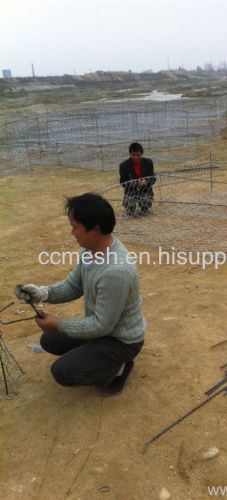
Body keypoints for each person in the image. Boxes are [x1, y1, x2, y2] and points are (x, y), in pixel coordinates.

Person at [15, 193, 146, 396]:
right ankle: (99, 357)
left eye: (75, 227)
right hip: (103, 332)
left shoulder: (116, 271)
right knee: (49, 340)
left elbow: (101, 325)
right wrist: (42, 293)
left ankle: (118, 368)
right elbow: (73, 286)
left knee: (62, 372)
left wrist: (59, 324)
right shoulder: (90, 250)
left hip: (120, 341)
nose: (72, 232)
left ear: (95, 230)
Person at [119, 142, 156, 216]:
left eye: (138, 155)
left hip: (145, 190)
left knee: (145, 205)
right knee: (129, 209)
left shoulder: (148, 162)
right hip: (131, 192)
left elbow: (153, 178)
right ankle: (130, 210)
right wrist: (131, 183)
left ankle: (144, 209)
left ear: (142, 154)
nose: (136, 157)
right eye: (133, 155)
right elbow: (122, 182)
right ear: (130, 154)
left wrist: (146, 181)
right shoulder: (123, 165)